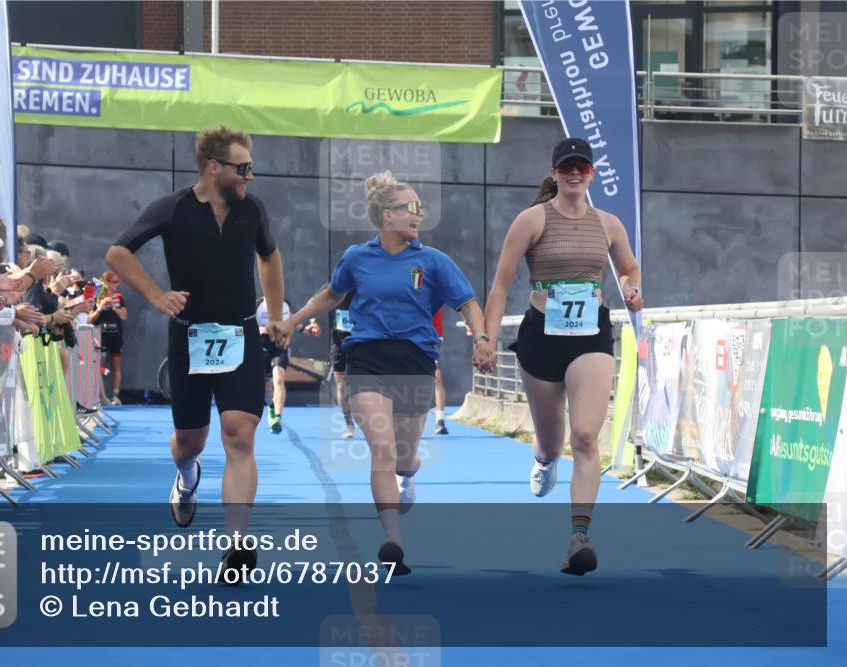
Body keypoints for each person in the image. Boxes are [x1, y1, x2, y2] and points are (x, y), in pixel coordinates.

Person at [271, 171, 493, 575]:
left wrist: (481, 338)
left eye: (420, 207)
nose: (419, 214)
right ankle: (393, 540)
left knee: (404, 458)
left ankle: (409, 477)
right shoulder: (358, 257)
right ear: (386, 216)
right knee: (383, 451)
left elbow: (468, 301)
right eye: (411, 208)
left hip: (415, 361)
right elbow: (332, 294)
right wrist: (293, 321)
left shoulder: (433, 261)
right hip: (366, 359)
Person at [107, 125, 284, 577]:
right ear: (214, 167)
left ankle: (237, 545)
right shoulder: (172, 208)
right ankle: (186, 480)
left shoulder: (253, 210)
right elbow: (118, 254)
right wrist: (155, 296)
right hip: (190, 339)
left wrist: (276, 315)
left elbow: (270, 257)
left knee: (240, 434)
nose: (249, 175)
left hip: (242, 334)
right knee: (191, 441)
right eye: (243, 167)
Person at [483, 137, 643, 576]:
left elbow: (629, 267)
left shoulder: (609, 224)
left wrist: (631, 288)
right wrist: (486, 339)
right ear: (554, 173)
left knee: (587, 438)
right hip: (541, 336)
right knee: (552, 442)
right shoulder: (531, 220)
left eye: (583, 167)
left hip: (591, 333)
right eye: (567, 166)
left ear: (591, 173)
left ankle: (579, 537)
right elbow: (500, 285)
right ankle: (543, 460)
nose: (575, 173)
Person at [254, 296, 321, 433]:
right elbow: (248, 326)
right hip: (262, 349)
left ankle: (277, 418)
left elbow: (294, 321)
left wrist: (307, 329)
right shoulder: (258, 304)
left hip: (280, 349)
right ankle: (271, 407)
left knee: (278, 378)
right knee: (267, 388)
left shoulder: (284, 305)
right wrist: (263, 330)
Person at [89, 270, 128, 405]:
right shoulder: (97, 296)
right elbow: (89, 319)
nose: (116, 285)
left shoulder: (119, 297)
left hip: (116, 335)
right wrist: (101, 307)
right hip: (101, 335)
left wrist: (114, 306)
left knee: (116, 365)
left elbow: (124, 316)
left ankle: (115, 395)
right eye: (114, 282)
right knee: (100, 366)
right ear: (106, 282)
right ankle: (101, 395)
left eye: (118, 282)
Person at [328, 289, 356, 438]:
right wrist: (311, 322)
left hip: (361, 343)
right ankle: (349, 424)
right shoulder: (332, 288)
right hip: (339, 345)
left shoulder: (364, 288)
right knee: (341, 384)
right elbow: (315, 302)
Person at [431, 308, 448, 435]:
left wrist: (468, 320)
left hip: (432, 336)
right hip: (408, 335)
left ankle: (440, 419)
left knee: (435, 373)